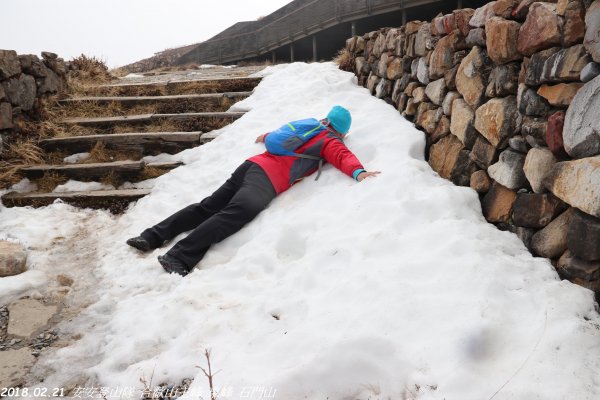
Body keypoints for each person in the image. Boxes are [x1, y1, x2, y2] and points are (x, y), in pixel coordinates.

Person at [126, 105, 380, 276]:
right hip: (266, 179)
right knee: (234, 213)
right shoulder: (329, 140)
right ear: (341, 131)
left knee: (208, 207)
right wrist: (359, 172)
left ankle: (150, 237)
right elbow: (342, 156)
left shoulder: (310, 127)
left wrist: (266, 135)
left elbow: (281, 137)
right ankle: (179, 257)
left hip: (250, 166)